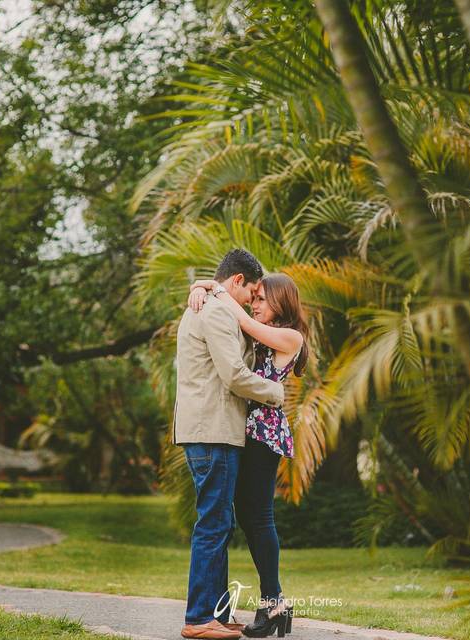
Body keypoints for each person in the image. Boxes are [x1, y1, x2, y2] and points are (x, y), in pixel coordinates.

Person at [188, 271, 309, 638]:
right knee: (247, 515)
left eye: (261, 300)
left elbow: (239, 319)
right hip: (247, 430)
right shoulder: (263, 330)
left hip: (263, 433)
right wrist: (203, 285)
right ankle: (274, 602)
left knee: (258, 517)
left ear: (281, 302)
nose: (254, 305)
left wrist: (216, 291)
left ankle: (274, 601)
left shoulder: (291, 336)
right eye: (253, 298)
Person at [175, 249, 286, 640]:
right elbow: (235, 375)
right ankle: (199, 618)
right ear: (237, 281)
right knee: (213, 524)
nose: (253, 301)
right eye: (252, 291)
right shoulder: (218, 311)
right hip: (212, 431)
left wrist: (205, 284)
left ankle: (216, 617)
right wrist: (276, 393)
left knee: (220, 522)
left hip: (213, 429)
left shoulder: (212, 302)